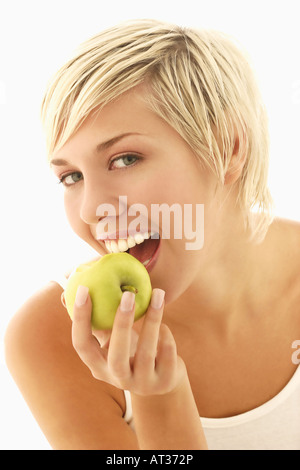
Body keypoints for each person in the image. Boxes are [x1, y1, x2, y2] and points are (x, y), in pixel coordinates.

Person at [5, 19, 300, 450]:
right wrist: (158, 396)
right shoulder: (51, 335)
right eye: (71, 177)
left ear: (227, 149)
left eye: (125, 159)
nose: (90, 209)